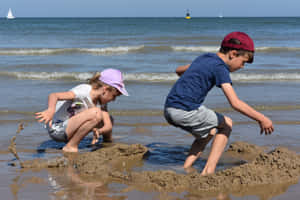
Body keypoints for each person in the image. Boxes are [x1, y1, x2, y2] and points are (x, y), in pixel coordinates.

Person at [164, 31, 274, 175]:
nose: (242, 67)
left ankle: (186, 167)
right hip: (185, 110)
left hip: (169, 108)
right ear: (233, 54)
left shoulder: (205, 57)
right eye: (243, 62)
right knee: (227, 124)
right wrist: (262, 118)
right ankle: (209, 171)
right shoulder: (220, 68)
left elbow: (178, 70)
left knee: (209, 132)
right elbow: (235, 103)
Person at [35, 68, 129, 152]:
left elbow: (108, 125)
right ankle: (71, 146)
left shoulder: (102, 103)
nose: (114, 99)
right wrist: (50, 110)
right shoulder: (84, 91)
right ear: (105, 89)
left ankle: (107, 142)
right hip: (57, 129)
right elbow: (54, 95)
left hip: (69, 128)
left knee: (107, 117)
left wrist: (99, 132)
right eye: (114, 96)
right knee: (96, 113)